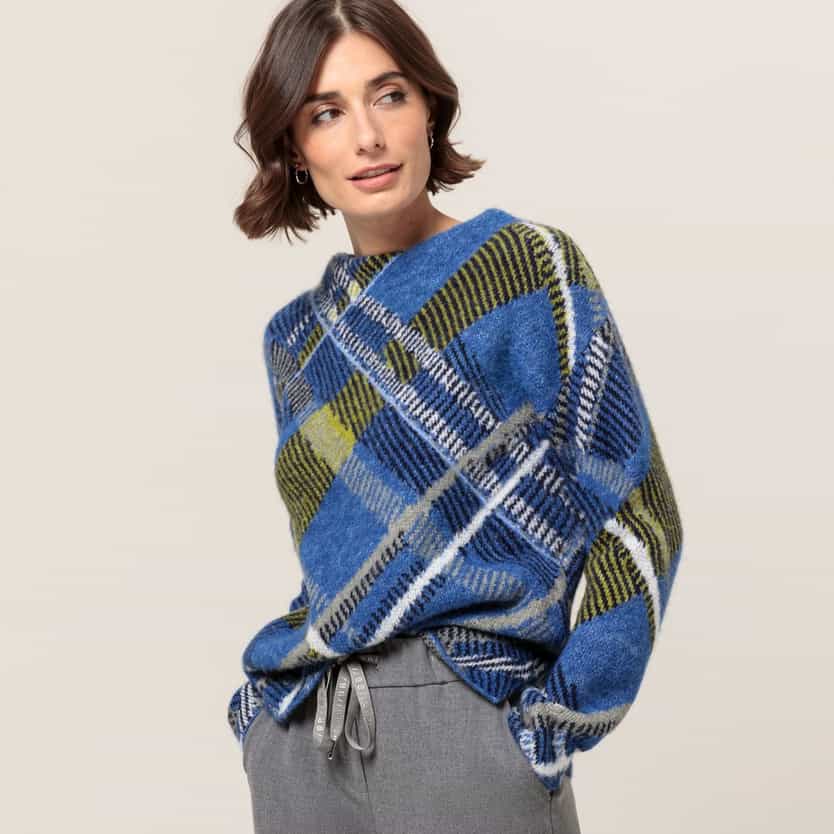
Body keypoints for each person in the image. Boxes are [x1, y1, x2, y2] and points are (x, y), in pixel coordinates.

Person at [226, 2, 684, 833]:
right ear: (294, 149)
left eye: (389, 95)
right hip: (308, 734)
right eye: (326, 113)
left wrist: (550, 727)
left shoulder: (523, 267)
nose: (367, 137)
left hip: (469, 729)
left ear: (430, 109)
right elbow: (341, 566)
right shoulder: (294, 339)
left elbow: (640, 514)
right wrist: (257, 721)